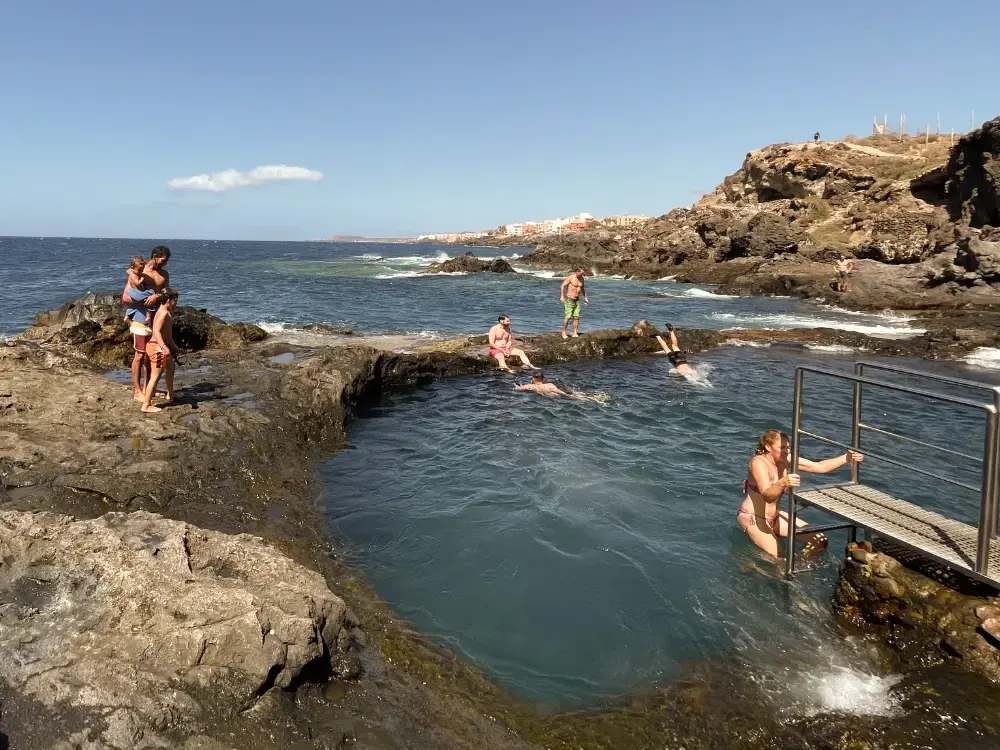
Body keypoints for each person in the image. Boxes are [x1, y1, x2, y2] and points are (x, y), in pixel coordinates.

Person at [737, 429, 864, 559]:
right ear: (768, 447)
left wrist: (847, 457)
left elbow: (818, 467)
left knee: (820, 541)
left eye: (788, 447)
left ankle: (802, 566)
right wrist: (782, 483)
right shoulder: (759, 462)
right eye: (782, 447)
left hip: (774, 518)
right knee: (780, 561)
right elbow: (767, 495)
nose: (786, 451)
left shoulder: (785, 459)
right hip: (754, 518)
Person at [124, 246, 171, 401]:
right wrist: (145, 300)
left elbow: (166, 295)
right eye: (163, 261)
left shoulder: (164, 274)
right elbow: (125, 297)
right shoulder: (139, 271)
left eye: (167, 261)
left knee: (152, 355)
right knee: (139, 355)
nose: (165, 264)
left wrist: (156, 296)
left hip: (156, 319)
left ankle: (149, 388)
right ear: (155, 256)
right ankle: (137, 390)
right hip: (140, 318)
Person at [141, 288, 181, 414]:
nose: (176, 303)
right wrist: (163, 347)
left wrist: (174, 347)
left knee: (171, 367)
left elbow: (167, 335)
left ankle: (170, 394)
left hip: (160, 346)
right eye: (175, 301)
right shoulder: (163, 313)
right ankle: (146, 405)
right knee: (155, 376)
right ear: (169, 300)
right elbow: (156, 331)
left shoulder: (164, 311)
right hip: (156, 348)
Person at [515, 370, 603, 403]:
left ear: (534, 378)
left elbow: (517, 389)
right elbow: (556, 390)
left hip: (556, 395)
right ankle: (594, 397)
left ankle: (594, 399)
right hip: (558, 391)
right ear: (543, 378)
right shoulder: (549, 384)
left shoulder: (532, 386)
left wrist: (520, 386)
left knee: (573, 397)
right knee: (576, 395)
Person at [560, 268, 589, 339]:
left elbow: (582, 288)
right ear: (577, 272)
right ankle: (563, 332)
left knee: (577, 317)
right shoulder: (571, 277)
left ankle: (575, 332)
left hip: (577, 299)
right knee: (568, 316)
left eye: (583, 274)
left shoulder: (582, 279)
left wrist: (586, 297)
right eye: (581, 273)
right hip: (569, 299)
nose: (582, 275)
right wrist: (562, 296)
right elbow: (562, 286)